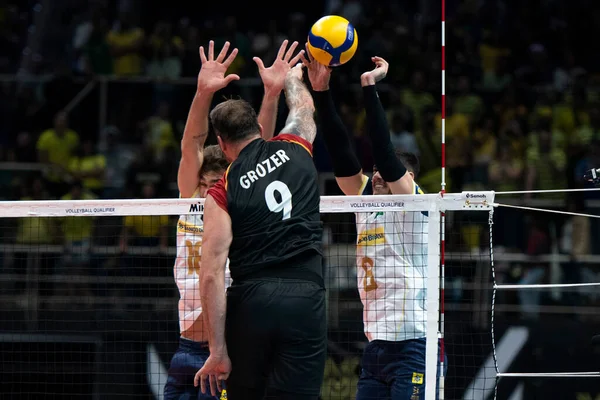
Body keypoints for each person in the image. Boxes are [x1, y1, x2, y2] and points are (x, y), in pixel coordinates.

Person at [164, 39, 304, 400]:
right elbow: (192, 144)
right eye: (207, 183)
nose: (213, 190)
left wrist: (272, 95)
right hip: (184, 349)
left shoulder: (236, 198)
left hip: (223, 350)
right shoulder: (191, 198)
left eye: (219, 183)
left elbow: (258, 148)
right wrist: (202, 93)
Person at [303, 52, 442, 399]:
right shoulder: (367, 197)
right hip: (375, 344)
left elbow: (382, 150)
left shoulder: (415, 201)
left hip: (415, 341)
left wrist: (369, 86)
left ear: (407, 177)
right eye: (375, 171)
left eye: (384, 170)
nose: (375, 174)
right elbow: (341, 151)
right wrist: (322, 93)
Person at [193, 47, 326, 399]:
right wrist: (291, 82)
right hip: (306, 296)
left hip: (253, 300)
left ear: (220, 143)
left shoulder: (221, 191)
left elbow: (211, 273)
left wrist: (217, 350)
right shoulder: (297, 147)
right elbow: (304, 110)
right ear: (256, 127)